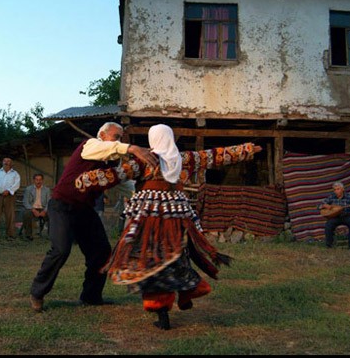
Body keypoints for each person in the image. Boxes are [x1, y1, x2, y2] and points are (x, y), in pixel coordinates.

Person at [75, 124, 262, 330]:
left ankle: (163, 309)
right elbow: (214, 156)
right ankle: (188, 291)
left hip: (150, 216)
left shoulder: (145, 160)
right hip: (176, 213)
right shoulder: (184, 158)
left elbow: (118, 174)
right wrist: (245, 150)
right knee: (177, 253)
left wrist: (87, 179)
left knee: (151, 256)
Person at [29, 122, 158, 313]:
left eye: (122, 138)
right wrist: (132, 148)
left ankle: (91, 296)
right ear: (103, 135)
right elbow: (107, 149)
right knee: (61, 249)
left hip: (84, 209)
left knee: (102, 252)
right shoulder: (89, 145)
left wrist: (149, 196)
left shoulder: (112, 164)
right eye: (116, 137)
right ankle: (37, 293)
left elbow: (126, 187)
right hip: (62, 205)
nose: (119, 141)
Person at [318, 182, 350, 249]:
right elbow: (319, 206)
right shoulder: (331, 196)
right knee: (328, 225)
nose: (336, 191)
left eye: (338, 189)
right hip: (335, 217)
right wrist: (324, 205)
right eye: (335, 189)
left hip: (347, 216)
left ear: (343, 189)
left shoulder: (349, 197)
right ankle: (329, 245)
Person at [0, 157, 21, 241]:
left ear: (11, 163)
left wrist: (9, 191)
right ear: (2, 162)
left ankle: (10, 235)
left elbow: (16, 185)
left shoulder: (15, 174)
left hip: (9, 196)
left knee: (10, 216)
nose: (6, 162)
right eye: (5, 161)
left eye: (8, 161)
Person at [21, 173, 51, 240]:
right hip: (32, 208)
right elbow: (25, 202)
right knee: (27, 214)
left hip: (42, 208)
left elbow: (49, 202)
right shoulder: (28, 189)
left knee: (52, 214)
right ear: (34, 180)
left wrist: (45, 210)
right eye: (37, 180)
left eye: (40, 180)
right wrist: (33, 210)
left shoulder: (47, 190)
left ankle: (51, 235)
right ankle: (28, 235)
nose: (38, 181)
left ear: (42, 180)